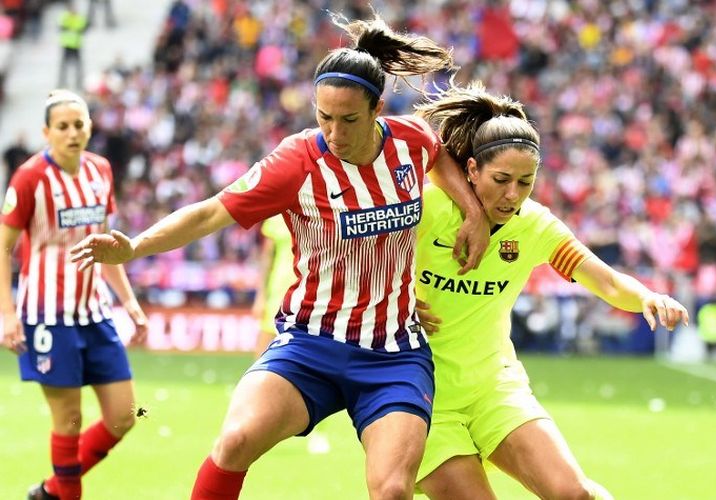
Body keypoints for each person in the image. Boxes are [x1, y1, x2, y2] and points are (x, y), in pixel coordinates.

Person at [70, 14, 488, 500]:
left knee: (392, 490)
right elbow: (210, 213)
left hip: (392, 355)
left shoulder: (409, 142)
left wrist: (473, 212)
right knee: (234, 441)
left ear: (377, 109)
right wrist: (136, 246)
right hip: (310, 345)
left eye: (348, 119)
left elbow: (437, 155)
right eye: (323, 117)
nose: (333, 131)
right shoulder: (296, 161)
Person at [411, 82, 690, 500]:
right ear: (471, 170)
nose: (513, 195)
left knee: (575, 494)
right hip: (422, 396)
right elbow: (359, 257)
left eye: (526, 182)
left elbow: (607, 281)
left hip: (494, 388)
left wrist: (648, 297)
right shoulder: (428, 208)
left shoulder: (535, 226)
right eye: (501, 179)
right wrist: (392, 297)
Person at [0, 89, 148, 500]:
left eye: (79, 124)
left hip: (94, 311)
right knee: (68, 419)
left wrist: (130, 304)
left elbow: (106, 246)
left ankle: (51, 491)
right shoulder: (30, 177)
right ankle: (65, 494)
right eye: (62, 127)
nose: (72, 133)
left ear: (90, 128)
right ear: (46, 132)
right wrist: (8, 316)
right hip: (47, 314)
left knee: (123, 416)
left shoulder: (100, 170)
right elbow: (3, 246)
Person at [251, 214, 295, 356]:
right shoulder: (276, 217)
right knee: (264, 348)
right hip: (279, 289)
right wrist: (260, 296)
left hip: (310, 289)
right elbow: (267, 258)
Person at [57, 1, 87, 89]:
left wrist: (72, 28)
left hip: (76, 44)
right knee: (64, 66)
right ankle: (62, 83)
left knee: (78, 66)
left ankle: (79, 83)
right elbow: (62, 27)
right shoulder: (65, 17)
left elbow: (83, 28)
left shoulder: (79, 18)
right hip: (67, 44)